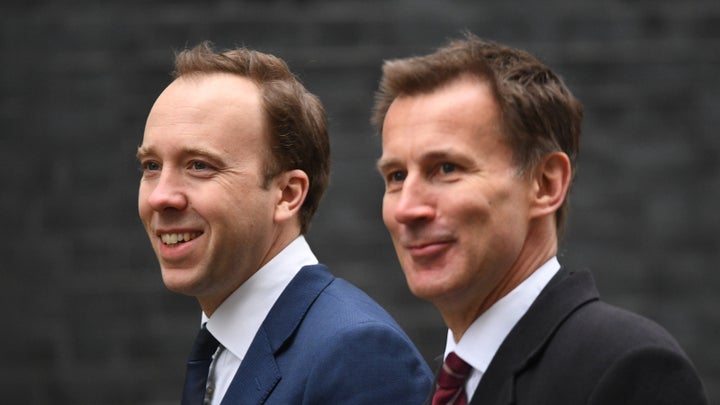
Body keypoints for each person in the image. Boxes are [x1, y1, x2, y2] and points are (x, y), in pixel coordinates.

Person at [372, 33, 708, 404]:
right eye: (397, 177)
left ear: (546, 184)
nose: (407, 209)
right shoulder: (451, 382)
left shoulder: (629, 369)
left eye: (447, 168)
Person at [137, 42, 432, 405]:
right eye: (151, 166)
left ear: (288, 194)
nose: (160, 197)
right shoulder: (224, 349)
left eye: (200, 165)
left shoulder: (358, 354)